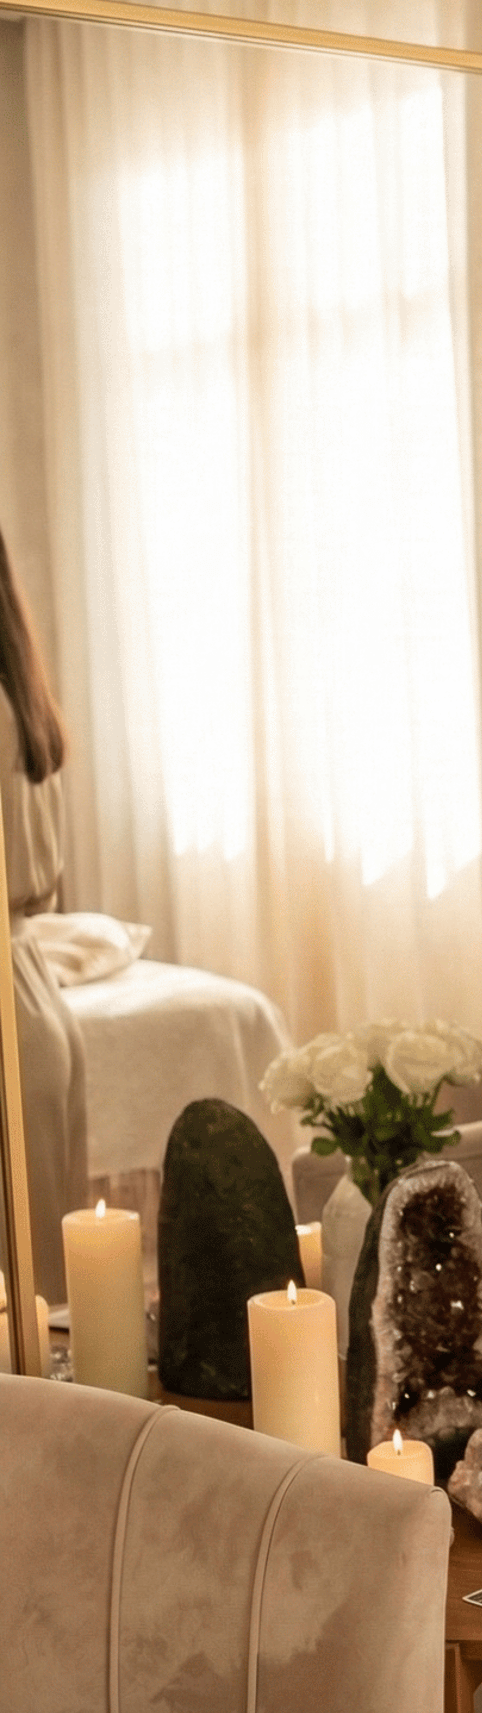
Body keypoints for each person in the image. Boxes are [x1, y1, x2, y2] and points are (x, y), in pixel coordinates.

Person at [1, 524, 88, 1309]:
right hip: (35, 991)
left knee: (24, 1294)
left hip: (10, 996)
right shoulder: (20, 696)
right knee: (48, 1292)